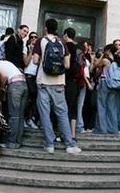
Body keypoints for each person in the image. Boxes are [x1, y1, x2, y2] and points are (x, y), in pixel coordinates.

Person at [32, 18, 81, 154]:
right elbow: (67, 65)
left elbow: (35, 61)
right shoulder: (61, 42)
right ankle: (70, 145)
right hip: (59, 82)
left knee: (45, 113)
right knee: (63, 113)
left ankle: (49, 145)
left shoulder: (40, 41)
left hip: (43, 82)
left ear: (46, 28)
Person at [0, 59, 27, 149]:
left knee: (14, 115)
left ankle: (11, 142)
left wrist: (2, 88)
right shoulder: (5, 62)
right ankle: (18, 141)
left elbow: (3, 76)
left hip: (14, 85)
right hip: (24, 84)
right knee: (20, 116)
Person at [63, 28, 80, 140]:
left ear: (66, 35)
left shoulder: (66, 47)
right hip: (75, 81)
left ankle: (64, 134)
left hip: (66, 80)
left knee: (64, 108)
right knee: (73, 107)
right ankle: (73, 134)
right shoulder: (78, 49)